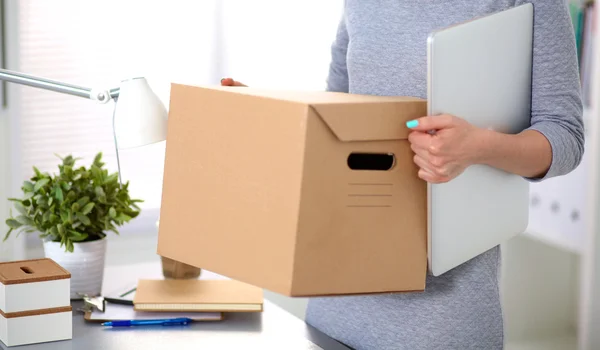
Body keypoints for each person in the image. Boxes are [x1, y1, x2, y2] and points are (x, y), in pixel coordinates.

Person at [221, 0, 584, 348]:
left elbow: (565, 135)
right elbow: (335, 119)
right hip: (336, 299)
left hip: (441, 318)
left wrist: (477, 147)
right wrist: (266, 118)